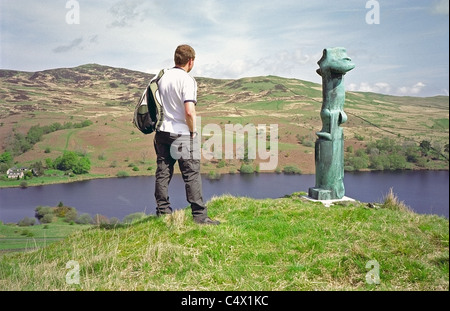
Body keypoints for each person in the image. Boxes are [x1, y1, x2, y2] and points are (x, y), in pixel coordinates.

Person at [153, 44, 220, 225]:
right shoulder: (187, 80)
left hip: (161, 132)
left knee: (163, 172)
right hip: (182, 134)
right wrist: (193, 132)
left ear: (176, 59)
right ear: (190, 61)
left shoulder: (161, 77)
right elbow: (189, 111)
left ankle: (163, 212)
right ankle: (199, 216)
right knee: (191, 174)